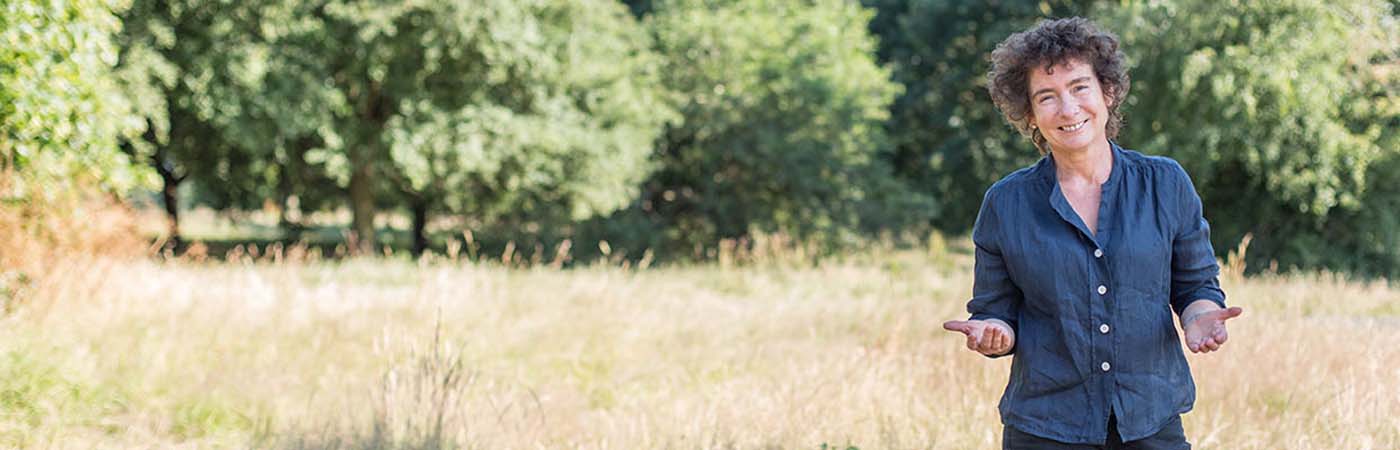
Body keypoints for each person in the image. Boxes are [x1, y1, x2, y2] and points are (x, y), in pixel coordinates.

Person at [939, 17, 1243, 450]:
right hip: (1044, 427)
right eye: (1047, 97)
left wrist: (1201, 318)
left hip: (1151, 420)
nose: (1068, 109)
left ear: (1109, 92)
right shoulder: (1005, 204)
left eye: (1080, 87)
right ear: (1029, 114)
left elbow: (1196, 286)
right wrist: (994, 335)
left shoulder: (1166, 183)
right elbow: (995, 310)